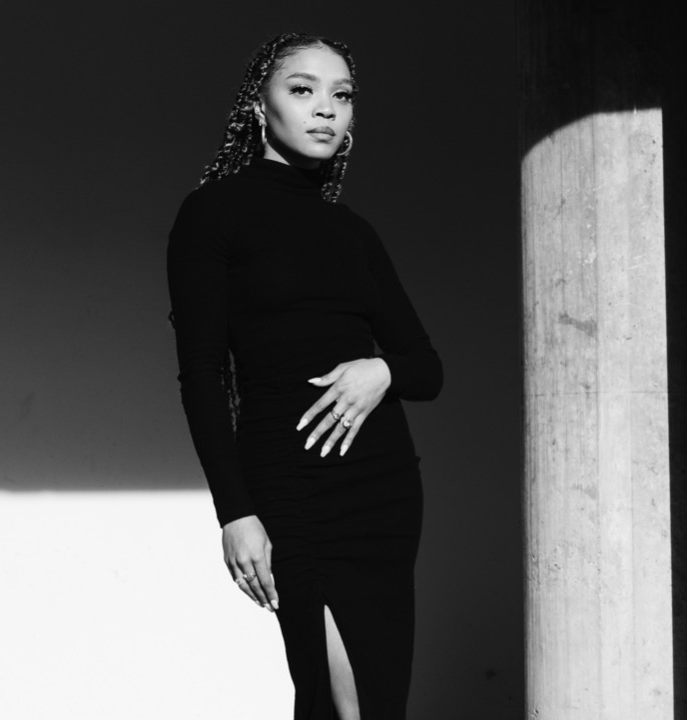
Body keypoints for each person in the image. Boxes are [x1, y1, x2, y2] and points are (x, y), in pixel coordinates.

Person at [167, 32, 443, 720]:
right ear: (259, 107)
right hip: (291, 486)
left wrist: (380, 370)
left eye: (341, 95)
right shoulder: (213, 213)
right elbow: (202, 374)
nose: (326, 109)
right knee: (342, 702)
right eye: (302, 89)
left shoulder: (353, 232)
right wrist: (235, 513)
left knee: (377, 703)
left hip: (383, 490)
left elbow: (426, 368)